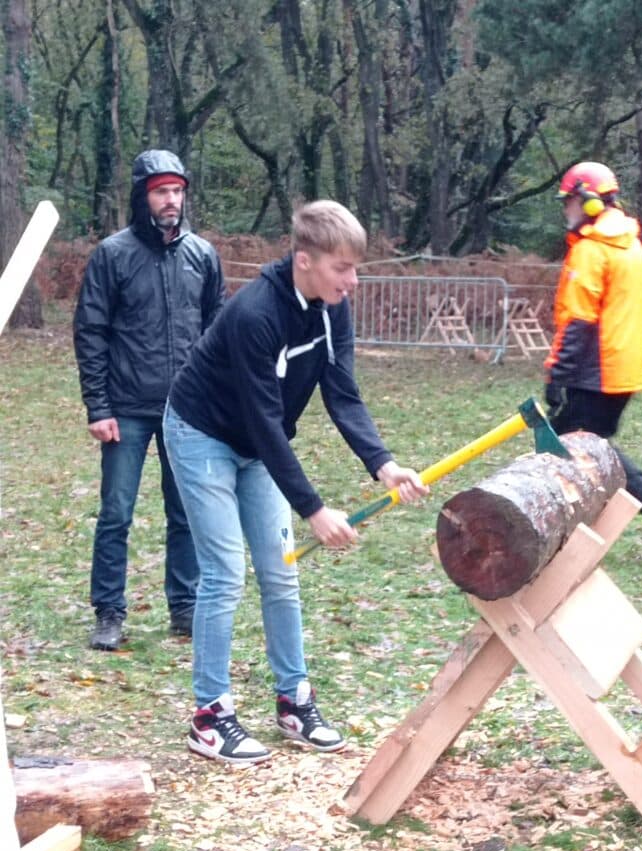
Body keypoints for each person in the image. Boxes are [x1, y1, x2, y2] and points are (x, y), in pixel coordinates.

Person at [163, 199, 428, 766]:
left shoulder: (332, 308)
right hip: (201, 433)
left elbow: (342, 392)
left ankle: (294, 700)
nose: (352, 281)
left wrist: (384, 464)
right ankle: (210, 716)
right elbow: (263, 421)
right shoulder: (255, 314)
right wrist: (312, 507)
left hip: (260, 446)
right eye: (342, 268)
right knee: (226, 572)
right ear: (304, 260)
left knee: (280, 574)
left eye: (356, 268)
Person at [74, 149, 226, 651]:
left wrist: (215, 404)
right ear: (143, 196)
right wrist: (99, 408)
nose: (171, 200)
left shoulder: (202, 256)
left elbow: (216, 333)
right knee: (116, 511)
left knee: (184, 512)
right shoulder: (112, 255)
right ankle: (109, 613)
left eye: (177, 191)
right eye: (161, 191)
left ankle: (184, 608)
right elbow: (90, 332)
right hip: (126, 408)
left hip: (186, 411)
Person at [543, 160, 642, 547]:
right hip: (622, 368)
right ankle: (637, 508)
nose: (565, 210)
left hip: (595, 369)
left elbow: (578, 320)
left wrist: (557, 374)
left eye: (569, 202)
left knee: (566, 445)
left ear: (588, 201)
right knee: (590, 445)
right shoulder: (630, 245)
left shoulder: (593, 250)